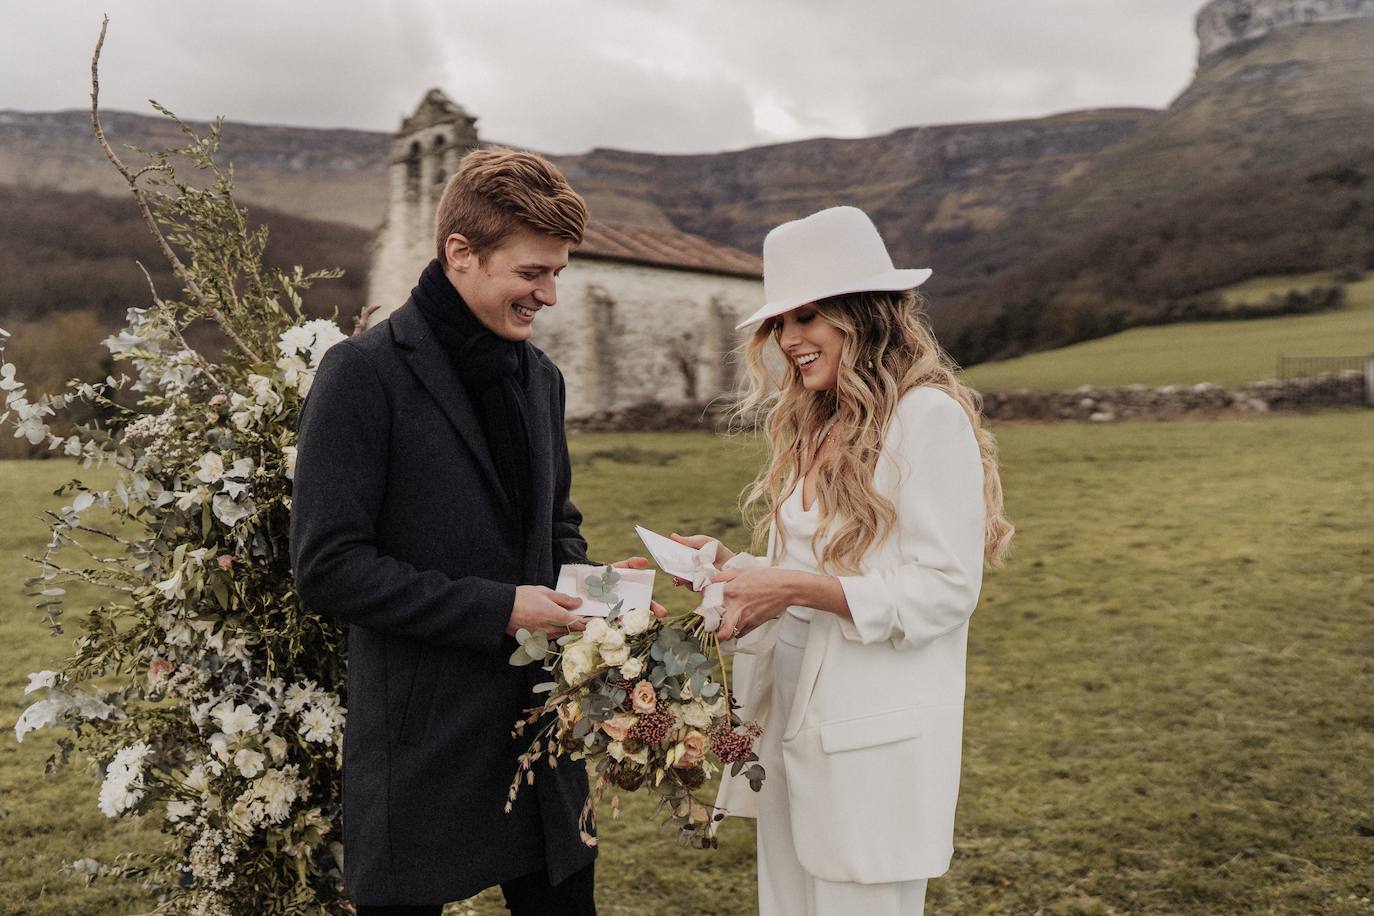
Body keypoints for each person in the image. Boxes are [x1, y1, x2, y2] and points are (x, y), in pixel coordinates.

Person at [291, 147, 658, 914]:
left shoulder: (541, 378)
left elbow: (555, 527)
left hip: (541, 728)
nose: (549, 294)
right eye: (533, 272)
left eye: (557, 273)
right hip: (424, 742)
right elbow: (328, 567)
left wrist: (602, 602)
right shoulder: (362, 373)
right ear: (461, 252)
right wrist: (499, 610)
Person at [674, 206, 1013, 915]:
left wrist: (793, 587)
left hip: (870, 744)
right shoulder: (816, 421)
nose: (789, 340)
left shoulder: (926, 418)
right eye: (780, 323)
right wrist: (736, 570)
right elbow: (809, 571)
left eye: (808, 316)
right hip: (789, 723)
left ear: (864, 314)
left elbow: (946, 590)